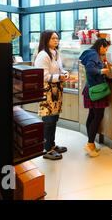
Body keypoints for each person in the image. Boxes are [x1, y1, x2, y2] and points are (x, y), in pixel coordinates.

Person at [34, 30, 69, 160]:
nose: (56, 40)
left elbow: (60, 68)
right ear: (46, 39)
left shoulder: (55, 53)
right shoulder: (43, 55)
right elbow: (44, 76)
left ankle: (52, 145)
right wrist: (60, 77)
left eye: (57, 38)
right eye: (53, 38)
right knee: (48, 120)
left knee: (54, 119)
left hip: (56, 91)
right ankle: (47, 149)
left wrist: (64, 73)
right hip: (47, 91)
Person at [79, 38, 111, 157]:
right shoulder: (93, 54)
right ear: (101, 46)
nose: (106, 50)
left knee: (92, 115)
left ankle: (90, 144)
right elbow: (90, 69)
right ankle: (90, 143)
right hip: (97, 89)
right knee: (98, 116)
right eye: (106, 47)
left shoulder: (91, 53)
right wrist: (102, 70)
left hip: (91, 88)